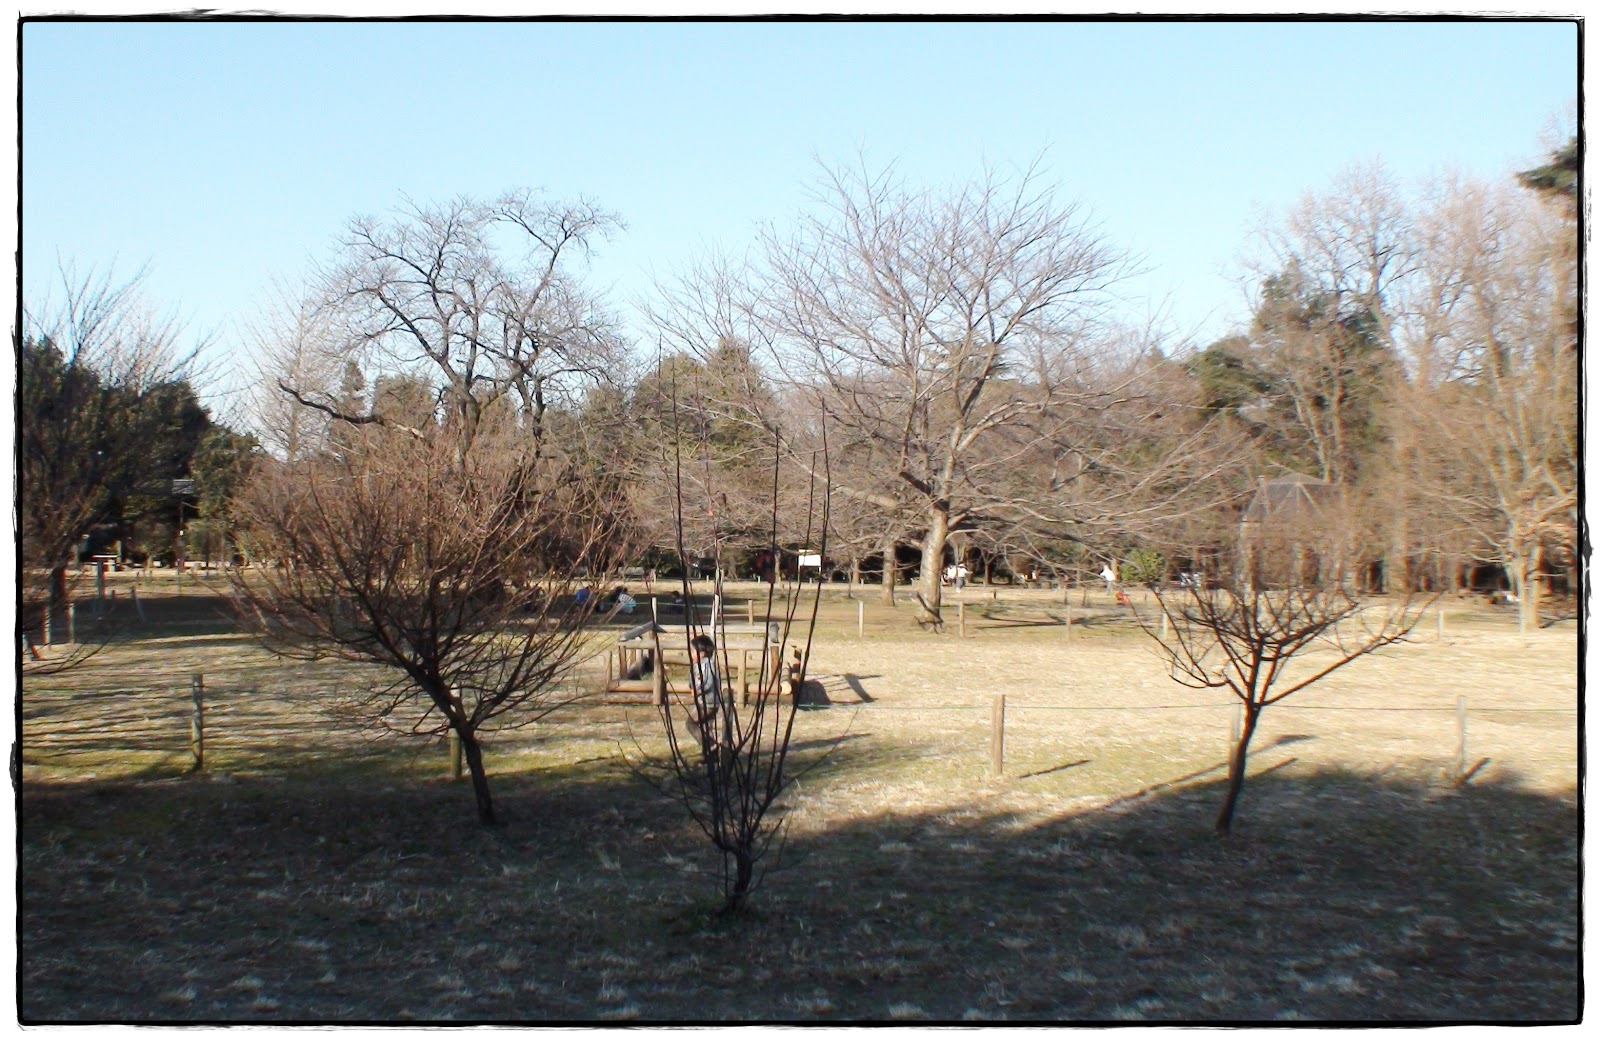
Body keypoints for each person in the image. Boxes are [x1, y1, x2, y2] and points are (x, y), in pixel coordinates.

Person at [688, 634, 725, 760]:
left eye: (693, 651)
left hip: (708, 702)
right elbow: (693, 680)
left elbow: (707, 683)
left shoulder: (707, 665)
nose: (691, 654)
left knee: (691, 723)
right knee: (705, 727)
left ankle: (711, 745)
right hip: (705, 701)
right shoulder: (698, 664)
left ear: (702, 653)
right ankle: (710, 757)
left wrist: (697, 691)